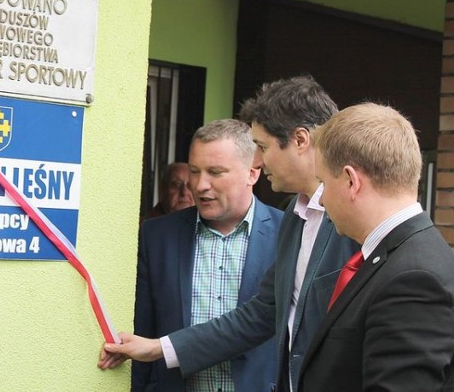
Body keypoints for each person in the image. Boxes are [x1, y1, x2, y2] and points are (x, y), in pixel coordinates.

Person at [98, 76, 359, 392]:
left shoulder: (349, 216)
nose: (259, 160)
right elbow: (260, 315)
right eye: (195, 172)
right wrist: (158, 348)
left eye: (262, 147)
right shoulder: (298, 214)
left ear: (301, 140)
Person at [297, 103, 454, 391]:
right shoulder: (399, 257)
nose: (320, 200)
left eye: (323, 183)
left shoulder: (413, 279)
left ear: (350, 181)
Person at [134, 119, 282, 391]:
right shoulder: (156, 237)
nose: (200, 185)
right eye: (194, 171)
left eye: (215, 172)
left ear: (252, 172)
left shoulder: (287, 235)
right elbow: (142, 331)